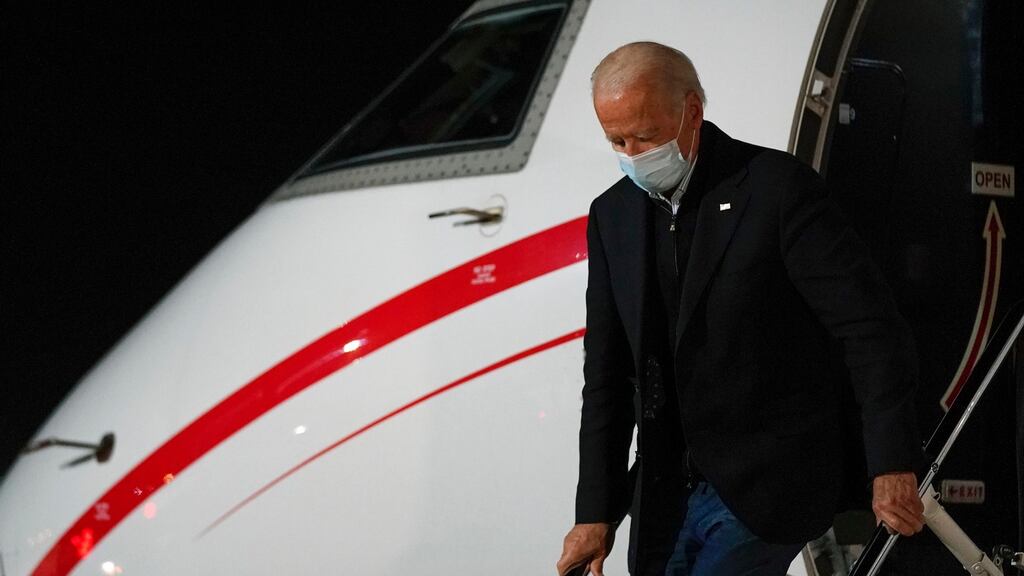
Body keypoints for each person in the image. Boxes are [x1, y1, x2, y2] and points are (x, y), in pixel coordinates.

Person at [555, 42, 926, 576]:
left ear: (691, 112)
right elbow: (607, 376)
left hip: (766, 484)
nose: (633, 153)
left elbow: (870, 329)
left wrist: (891, 461)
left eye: (647, 136)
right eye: (617, 139)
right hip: (665, 492)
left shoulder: (777, 190)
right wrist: (595, 514)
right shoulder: (612, 216)